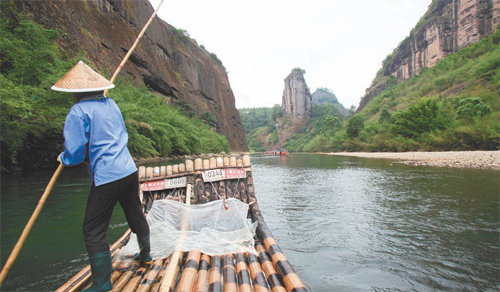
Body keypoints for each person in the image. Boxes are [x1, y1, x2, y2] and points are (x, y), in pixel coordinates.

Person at [52, 61, 151, 292]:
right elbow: (119, 135)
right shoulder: (111, 103)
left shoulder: (78, 111)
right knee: (134, 212)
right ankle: (146, 256)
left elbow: (76, 152)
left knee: (93, 229)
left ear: (75, 92)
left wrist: (63, 158)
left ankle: (102, 285)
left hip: (107, 175)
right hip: (128, 169)